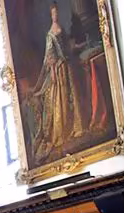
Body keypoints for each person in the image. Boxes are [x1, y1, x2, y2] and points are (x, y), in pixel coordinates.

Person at [31, 3, 81, 155]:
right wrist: (53, 71)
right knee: (60, 98)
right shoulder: (50, 34)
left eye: (57, 13)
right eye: (53, 14)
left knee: (69, 96)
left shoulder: (61, 29)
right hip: (57, 70)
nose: (56, 15)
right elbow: (50, 55)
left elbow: (66, 46)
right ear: (50, 15)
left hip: (65, 66)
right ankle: (61, 131)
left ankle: (72, 126)